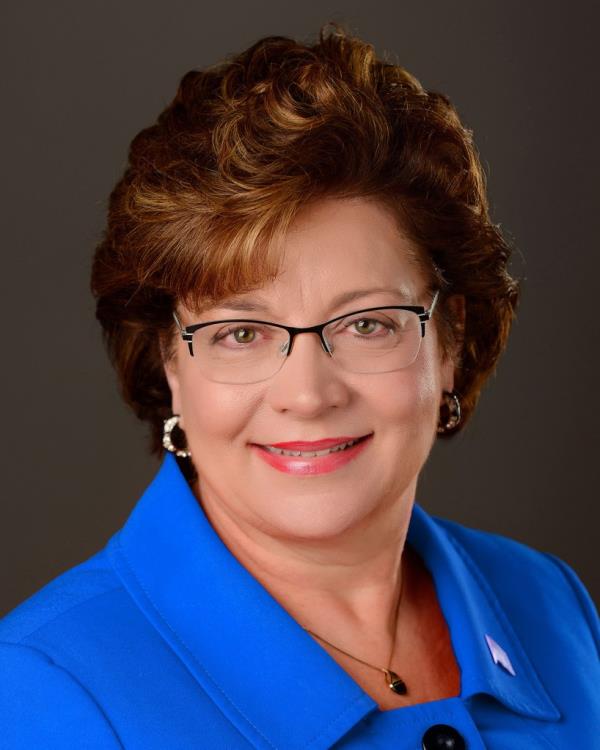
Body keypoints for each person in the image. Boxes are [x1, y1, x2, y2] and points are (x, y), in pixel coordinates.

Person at [1, 22, 598, 750]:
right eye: (241, 334)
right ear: (170, 366)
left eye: (367, 324)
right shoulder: (42, 692)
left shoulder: (554, 608)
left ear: (449, 342)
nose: (308, 395)